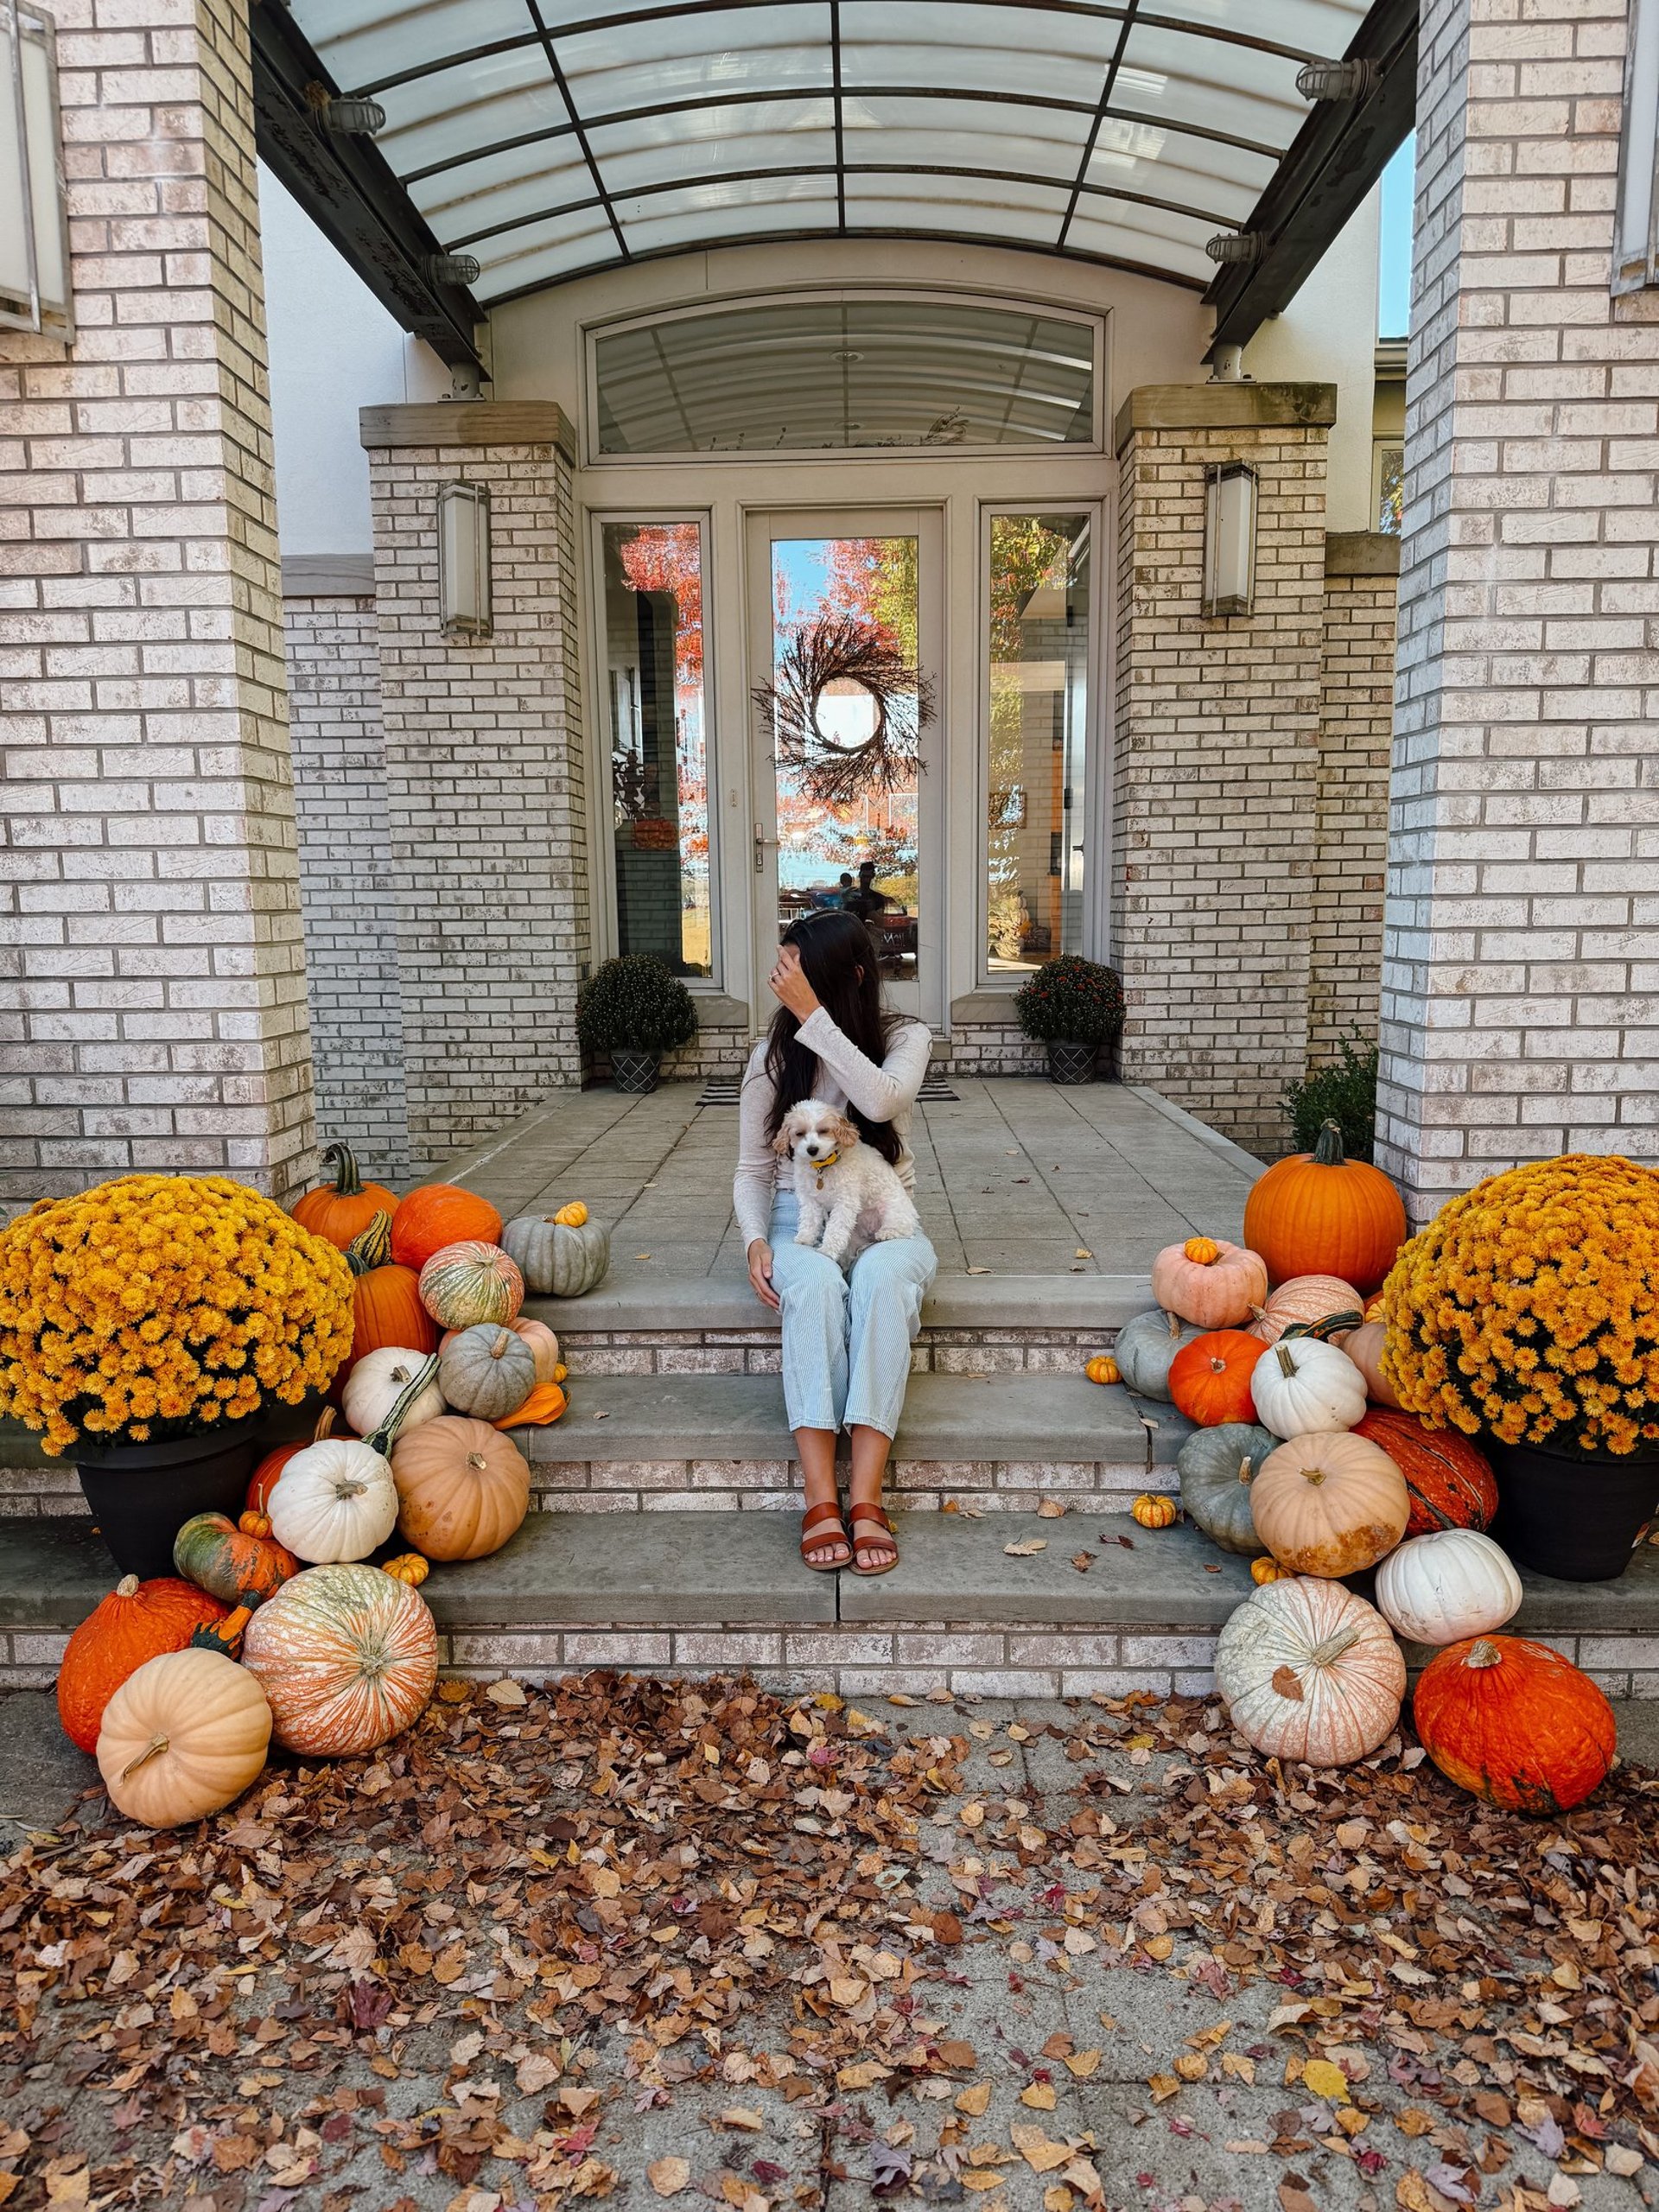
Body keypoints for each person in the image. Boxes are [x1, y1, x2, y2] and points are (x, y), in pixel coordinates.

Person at [734, 910, 936, 1574]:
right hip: (803, 1225)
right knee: (817, 1284)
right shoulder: (773, 1058)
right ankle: (821, 1496)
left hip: (885, 1218)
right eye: (785, 977)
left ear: (846, 979)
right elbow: (753, 1169)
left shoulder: (905, 1037)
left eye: (801, 977)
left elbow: (877, 1104)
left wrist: (814, 1019)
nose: (787, 992)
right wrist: (758, 1240)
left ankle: (867, 1497)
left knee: (880, 1282)